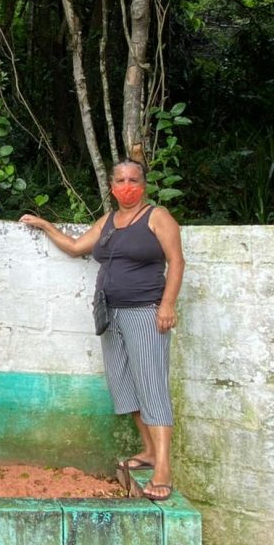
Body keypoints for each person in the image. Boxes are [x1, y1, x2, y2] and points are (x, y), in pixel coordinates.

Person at [19, 159, 185, 501]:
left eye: (133, 179)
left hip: (145, 312)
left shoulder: (157, 217)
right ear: (112, 186)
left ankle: (164, 467)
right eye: (121, 180)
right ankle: (149, 450)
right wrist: (46, 225)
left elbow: (177, 261)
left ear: (144, 184)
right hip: (111, 315)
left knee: (152, 385)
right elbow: (77, 247)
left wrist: (168, 304)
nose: (127, 185)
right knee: (125, 386)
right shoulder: (108, 221)